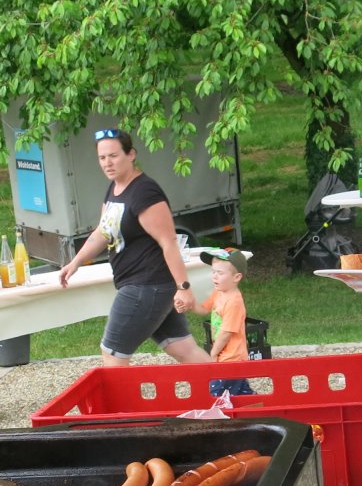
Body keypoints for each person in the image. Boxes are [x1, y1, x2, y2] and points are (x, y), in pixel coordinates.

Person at [59, 127, 211, 367]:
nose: (107, 163)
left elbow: (168, 242)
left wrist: (184, 288)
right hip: (148, 287)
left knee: (112, 354)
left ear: (131, 155)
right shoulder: (115, 188)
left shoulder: (145, 193)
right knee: (184, 350)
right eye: (102, 158)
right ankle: (239, 394)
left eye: (114, 156)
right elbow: (102, 230)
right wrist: (75, 262)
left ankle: (120, 406)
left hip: (145, 286)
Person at [187, 247, 255, 397]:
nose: (214, 277)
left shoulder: (234, 301)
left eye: (220, 273)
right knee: (239, 391)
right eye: (213, 272)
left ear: (236, 277)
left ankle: (229, 414)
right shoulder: (218, 293)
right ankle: (255, 406)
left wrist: (213, 352)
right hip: (224, 355)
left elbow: (226, 332)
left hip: (231, 358)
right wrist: (191, 304)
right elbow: (204, 309)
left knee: (215, 393)